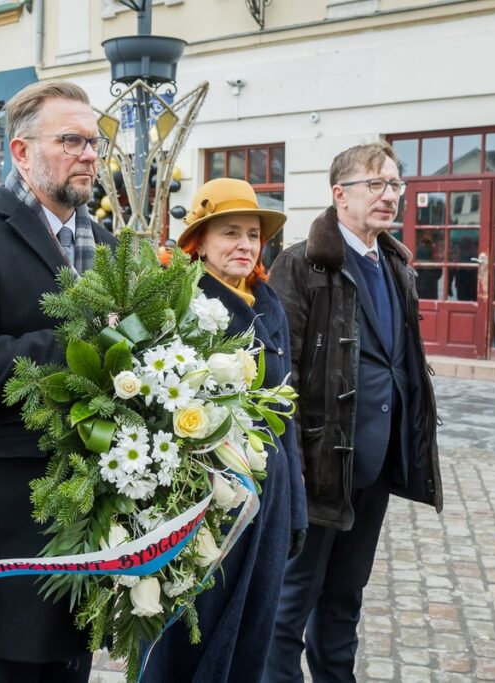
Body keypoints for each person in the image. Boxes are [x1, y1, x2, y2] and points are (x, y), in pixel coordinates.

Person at [0, 81, 118, 683]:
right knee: (13, 666)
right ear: (21, 151)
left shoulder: (107, 246)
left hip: (98, 498)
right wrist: (92, 344)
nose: (89, 154)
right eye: (71, 140)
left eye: (93, 142)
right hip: (13, 507)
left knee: (72, 665)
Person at [264, 142, 442, 682]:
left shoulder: (394, 261)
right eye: (376, 185)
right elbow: (278, 375)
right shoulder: (301, 264)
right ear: (340, 194)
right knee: (290, 604)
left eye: (395, 185)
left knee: (345, 596)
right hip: (318, 466)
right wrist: (290, 461)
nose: (389, 195)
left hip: (374, 463)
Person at [140, 178, 307, 683]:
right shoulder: (183, 302)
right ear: (201, 242)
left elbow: (287, 414)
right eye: (230, 233)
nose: (244, 245)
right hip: (209, 501)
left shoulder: (268, 302)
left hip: (270, 495)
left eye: (253, 235)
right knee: (195, 632)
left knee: (254, 626)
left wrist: (295, 501)